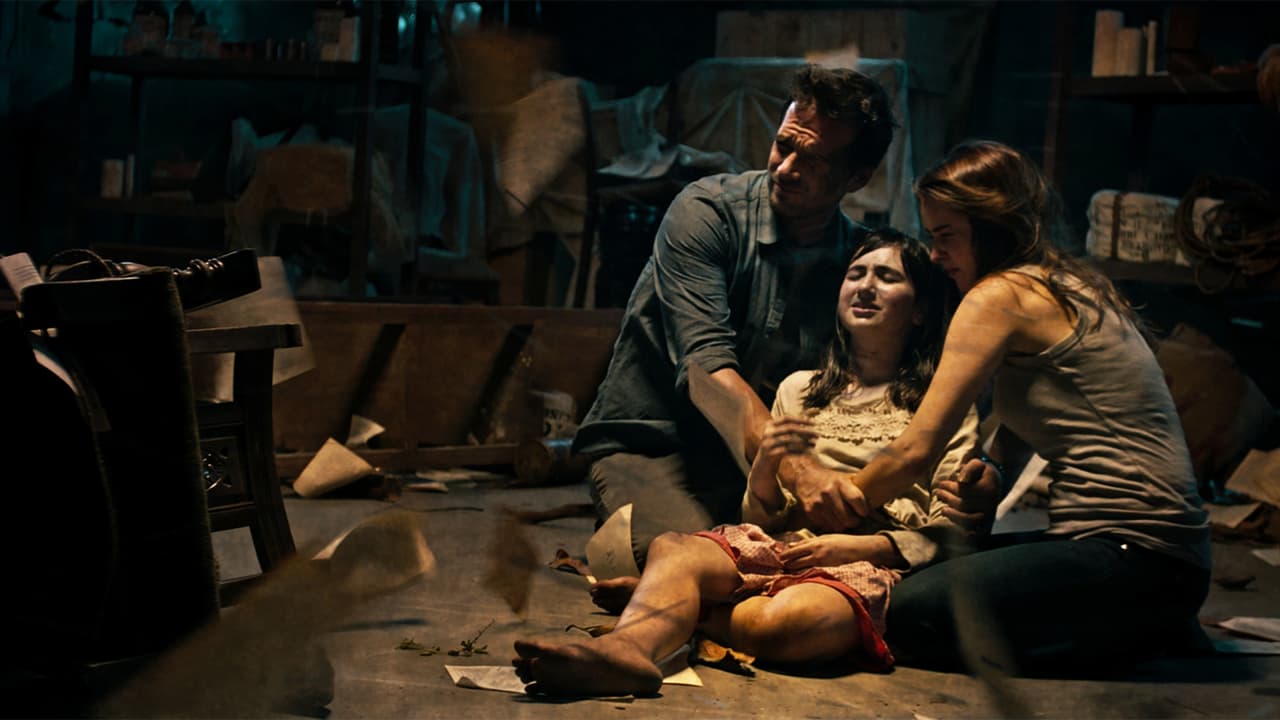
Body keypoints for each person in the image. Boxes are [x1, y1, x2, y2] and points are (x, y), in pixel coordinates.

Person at [514, 231, 979, 697]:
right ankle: (625, 650)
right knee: (674, 548)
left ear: (920, 310)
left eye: (887, 277)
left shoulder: (941, 406)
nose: (865, 286)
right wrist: (764, 470)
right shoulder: (801, 389)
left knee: (787, 623)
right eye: (855, 274)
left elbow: (951, 532)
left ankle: (675, 606)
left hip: (866, 560)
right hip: (782, 544)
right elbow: (762, 519)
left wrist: (859, 548)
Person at [812, 140, 1211, 675]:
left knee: (905, 609)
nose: (936, 255)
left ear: (992, 227)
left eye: (946, 236)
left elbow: (914, 451)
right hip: (1163, 562)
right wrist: (992, 473)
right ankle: (1138, 626)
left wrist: (830, 504)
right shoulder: (1064, 285)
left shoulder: (999, 295)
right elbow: (1035, 422)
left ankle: (1131, 634)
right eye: (931, 237)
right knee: (929, 563)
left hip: (1136, 558)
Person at [573, 65, 896, 566]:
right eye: (784, 145)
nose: (785, 169)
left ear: (858, 177)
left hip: (763, 462)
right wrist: (800, 473)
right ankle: (625, 541)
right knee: (704, 566)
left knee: (838, 565)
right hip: (657, 446)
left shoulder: (859, 260)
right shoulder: (707, 213)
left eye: (813, 160)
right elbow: (706, 370)